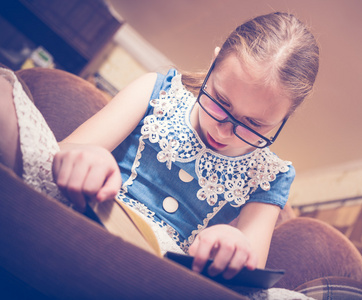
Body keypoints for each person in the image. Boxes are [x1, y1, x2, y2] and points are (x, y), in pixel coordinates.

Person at [0, 11, 319, 283]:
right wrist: (86, 156)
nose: (224, 130)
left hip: (162, 273)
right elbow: (63, 152)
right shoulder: (158, 90)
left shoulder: (272, 176)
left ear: (285, 117)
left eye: (254, 125)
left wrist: (234, 245)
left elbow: (247, 271)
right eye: (220, 102)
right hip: (88, 214)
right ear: (214, 63)